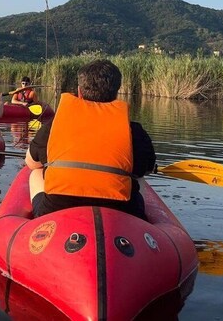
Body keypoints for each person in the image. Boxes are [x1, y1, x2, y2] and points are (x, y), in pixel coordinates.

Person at [24, 59, 156, 220]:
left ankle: (41, 224)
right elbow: (146, 169)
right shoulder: (134, 130)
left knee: (36, 172)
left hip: (56, 210)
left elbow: (31, 163)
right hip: (121, 212)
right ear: (116, 92)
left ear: (79, 92)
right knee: (138, 177)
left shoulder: (56, 125)